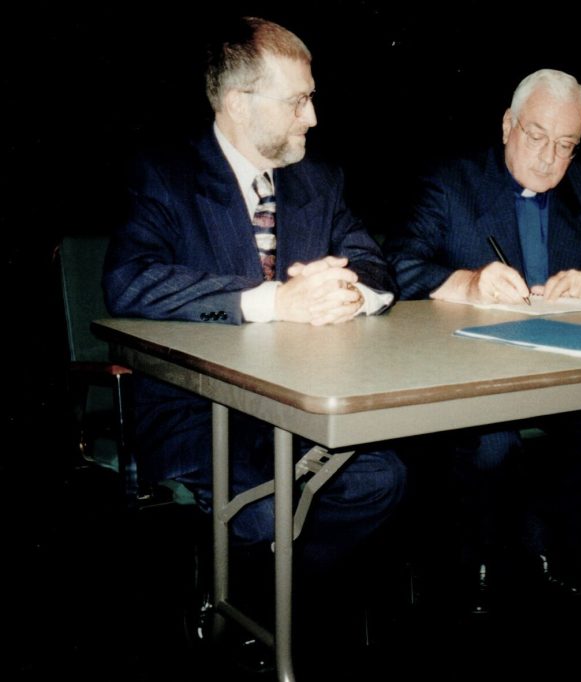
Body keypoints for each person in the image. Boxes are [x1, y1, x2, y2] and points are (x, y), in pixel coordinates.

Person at [103, 17, 405, 584]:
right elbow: (129, 281)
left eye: (310, 99)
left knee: (380, 481)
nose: (312, 117)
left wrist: (348, 294)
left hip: (297, 402)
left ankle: (275, 603)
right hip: (196, 408)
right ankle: (252, 608)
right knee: (266, 510)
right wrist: (275, 301)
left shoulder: (320, 180)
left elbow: (376, 267)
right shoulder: (163, 176)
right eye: (296, 102)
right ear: (240, 104)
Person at [386, 68, 581, 611]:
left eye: (565, 146)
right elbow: (393, 267)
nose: (548, 158)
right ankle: (467, 562)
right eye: (536, 136)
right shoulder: (452, 183)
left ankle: (540, 528)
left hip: (559, 374)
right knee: (493, 447)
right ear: (507, 126)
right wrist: (467, 282)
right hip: (469, 377)